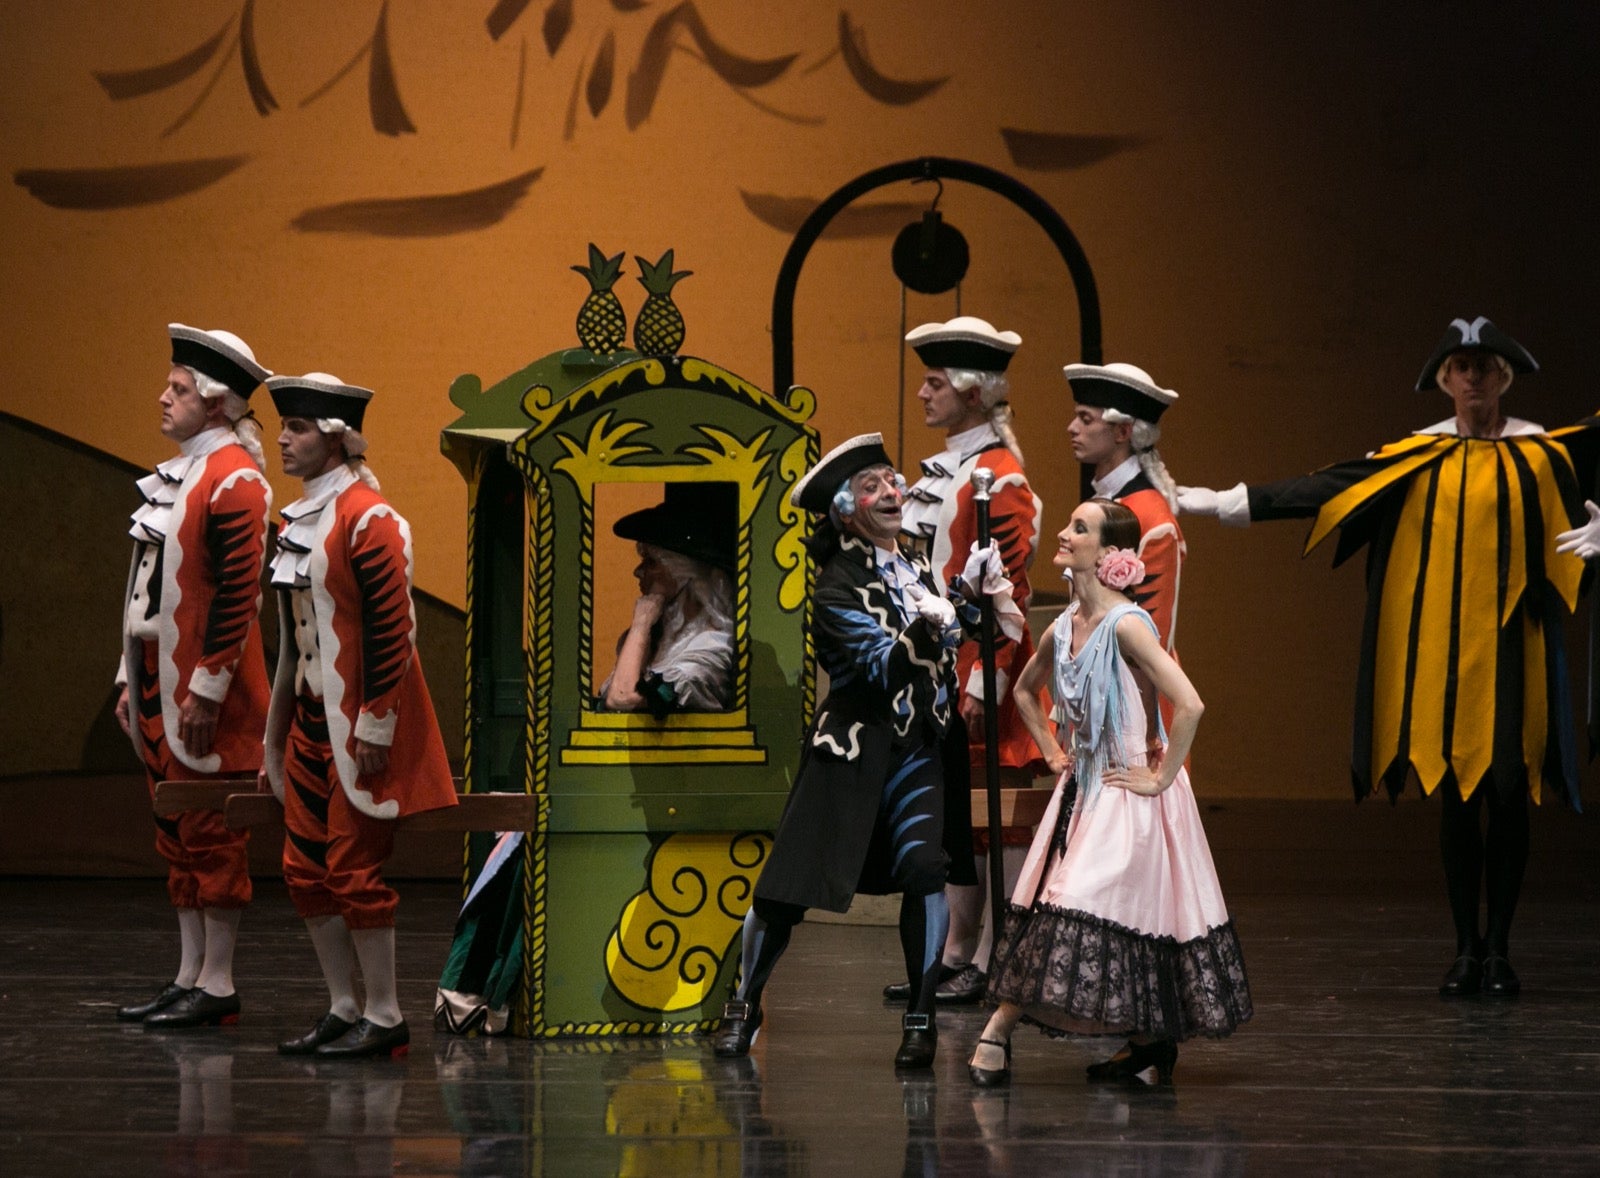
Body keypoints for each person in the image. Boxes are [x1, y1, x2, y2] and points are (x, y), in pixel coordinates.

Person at [1178, 317, 1595, 997]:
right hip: (1443, 659)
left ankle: (1501, 948)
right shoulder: (1417, 455)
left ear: (1503, 377)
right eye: (1461, 368)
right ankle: (1466, 947)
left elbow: (1586, 491)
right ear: (1444, 381)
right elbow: (1331, 486)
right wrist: (1231, 502)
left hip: (1515, 652)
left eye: (1484, 366)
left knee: (1511, 795)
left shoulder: (1543, 455)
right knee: (1460, 798)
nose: (1473, 378)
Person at [712, 434, 1009, 1069]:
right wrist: (933, 621)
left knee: (925, 869)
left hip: (918, 749)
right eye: (873, 487)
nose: (892, 493)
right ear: (847, 510)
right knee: (785, 889)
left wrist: (974, 598)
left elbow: (959, 635)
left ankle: (921, 1016)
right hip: (851, 750)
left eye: (892, 481)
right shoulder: (834, 588)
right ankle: (743, 1004)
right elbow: (881, 668)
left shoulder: (920, 563)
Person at [969, 499, 1252, 1088]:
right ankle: (1149, 1045)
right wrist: (1051, 750)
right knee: (1116, 918)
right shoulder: (1064, 625)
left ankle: (997, 1027)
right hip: (1085, 791)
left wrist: (1161, 775)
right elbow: (1025, 692)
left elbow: (1190, 704)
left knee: (1073, 907)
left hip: (1129, 796)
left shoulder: (1126, 624)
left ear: (1108, 553)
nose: (1067, 535)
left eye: (1080, 528)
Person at [262, 371, 458, 1059]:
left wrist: (375, 724)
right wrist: (272, 737)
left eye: (300, 428)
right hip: (309, 723)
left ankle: (384, 1014)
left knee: (352, 869)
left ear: (337, 440)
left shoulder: (370, 520)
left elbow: (391, 632)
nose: (283, 438)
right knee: (302, 869)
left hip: (360, 726)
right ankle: (343, 1007)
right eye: (283, 427)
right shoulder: (293, 522)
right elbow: (289, 640)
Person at [114, 324, 273, 1029]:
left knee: (211, 830)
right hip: (155, 672)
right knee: (174, 828)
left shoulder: (235, 479)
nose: (164, 397)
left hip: (208, 688)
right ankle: (188, 973)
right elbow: (147, 584)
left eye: (178, 389)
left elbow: (239, 597)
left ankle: (217, 982)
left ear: (215, 404)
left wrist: (208, 688)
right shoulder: (184, 475)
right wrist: (125, 675)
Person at [884, 316, 1042, 1006]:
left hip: (981, 667)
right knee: (955, 815)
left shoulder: (999, 478)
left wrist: (983, 678)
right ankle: (955, 950)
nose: (922, 393)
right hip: (937, 668)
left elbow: (1007, 590)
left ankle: (992, 954)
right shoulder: (948, 467)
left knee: (992, 812)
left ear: (973, 395)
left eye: (935, 382)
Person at [1063, 362, 1183, 654]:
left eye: (1086, 419)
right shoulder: (1101, 502)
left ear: (1122, 432)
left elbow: (1150, 642)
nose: (1072, 428)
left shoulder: (1152, 518)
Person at [599, 481, 737, 716]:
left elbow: (623, 697)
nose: (638, 572)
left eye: (651, 562)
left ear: (684, 576)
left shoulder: (708, 652)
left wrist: (641, 623)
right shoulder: (660, 643)